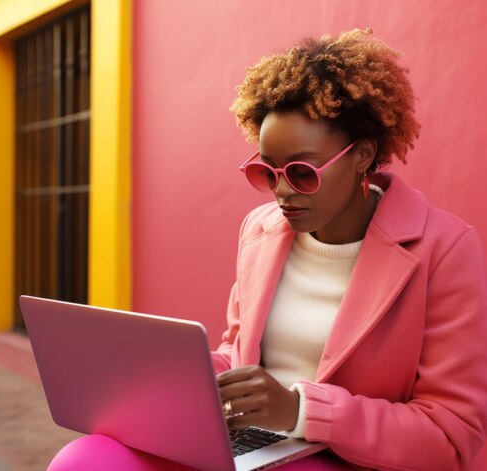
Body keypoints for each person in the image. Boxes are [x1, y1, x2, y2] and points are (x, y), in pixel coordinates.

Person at [48, 29, 487, 470]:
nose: (281, 192)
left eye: (302, 172)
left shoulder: (444, 249)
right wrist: (178, 380)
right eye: (266, 172)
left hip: (349, 458)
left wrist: (302, 411)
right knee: (84, 460)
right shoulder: (261, 231)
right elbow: (238, 354)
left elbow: (450, 437)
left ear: (363, 155)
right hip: (256, 445)